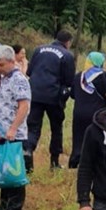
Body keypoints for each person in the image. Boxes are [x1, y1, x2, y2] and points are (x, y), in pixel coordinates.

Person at [0, 45, 31, 210]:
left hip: (13, 133)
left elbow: (24, 106)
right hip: (1, 131)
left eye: (0, 64)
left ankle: (15, 208)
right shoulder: (5, 78)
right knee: (3, 169)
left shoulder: (19, 79)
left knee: (14, 171)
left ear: (11, 61)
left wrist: (13, 128)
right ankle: (4, 203)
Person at [26, 29, 75, 171]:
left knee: (33, 127)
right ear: (68, 42)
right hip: (54, 96)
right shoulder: (67, 55)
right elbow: (69, 80)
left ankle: (28, 152)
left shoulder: (38, 50)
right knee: (56, 128)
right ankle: (54, 162)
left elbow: (30, 72)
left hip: (34, 94)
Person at [68, 52, 106, 169]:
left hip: (79, 112)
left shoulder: (79, 76)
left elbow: (72, 94)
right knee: (95, 137)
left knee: (78, 137)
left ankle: (75, 161)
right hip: (97, 114)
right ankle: (93, 163)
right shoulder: (103, 76)